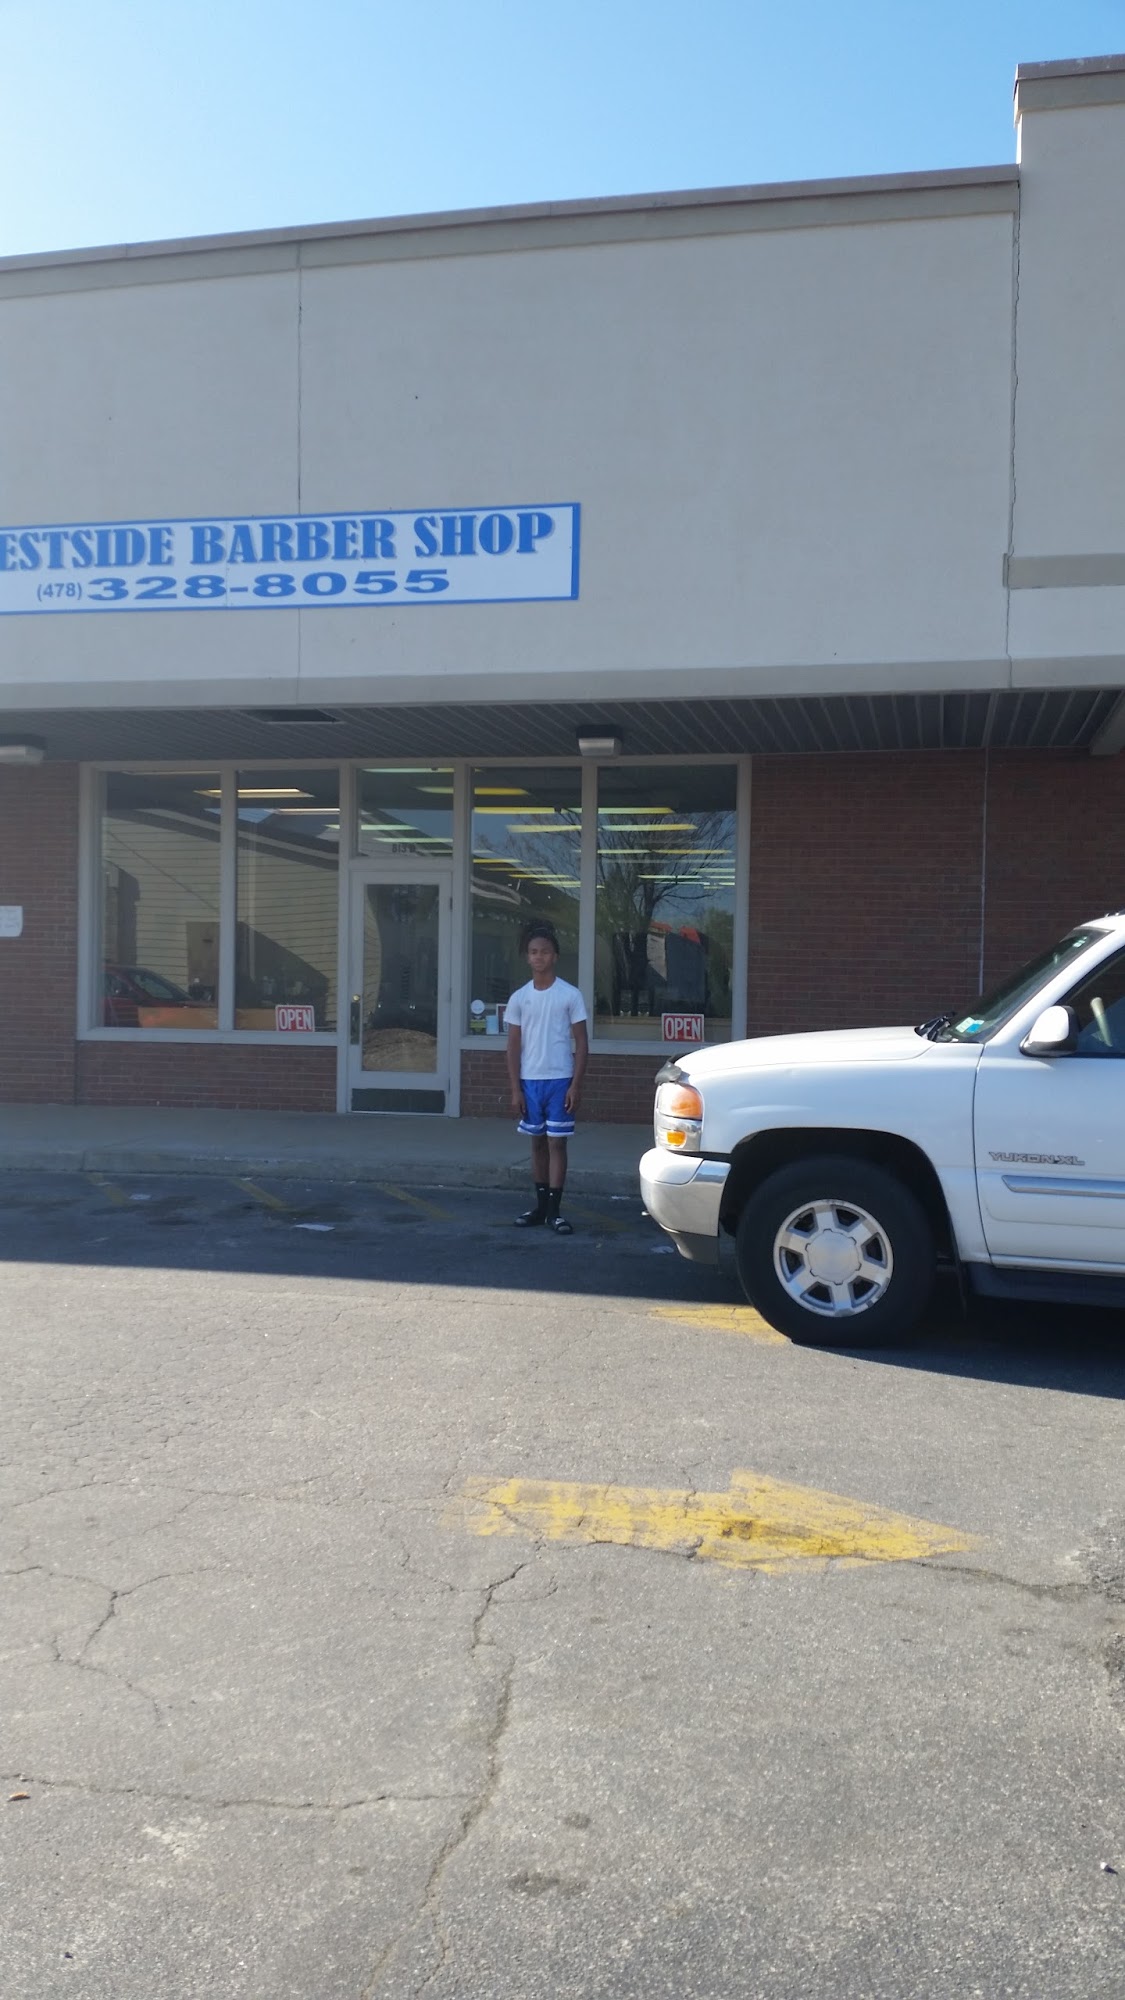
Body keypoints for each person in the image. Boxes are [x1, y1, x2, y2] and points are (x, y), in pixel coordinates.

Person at [505, 924, 588, 1234]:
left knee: (556, 1142)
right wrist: (515, 1088)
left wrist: (576, 1084)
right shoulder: (519, 998)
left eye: (544, 952)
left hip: (560, 1079)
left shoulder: (570, 995)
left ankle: (555, 1211)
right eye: (533, 952)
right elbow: (513, 1046)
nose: (539, 957)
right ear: (527, 957)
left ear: (555, 956)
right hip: (530, 1080)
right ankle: (540, 1207)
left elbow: (582, 1042)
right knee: (537, 1141)